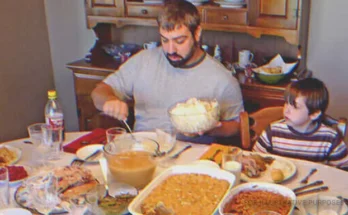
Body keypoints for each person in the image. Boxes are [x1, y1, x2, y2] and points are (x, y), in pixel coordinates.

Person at [91, 0, 244, 144]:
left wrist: (212, 128)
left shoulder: (222, 79)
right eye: (165, 40)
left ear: (197, 33)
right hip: (144, 150)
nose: (171, 50)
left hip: (192, 159)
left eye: (179, 41)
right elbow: (99, 91)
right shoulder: (143, 61)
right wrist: (109, 101)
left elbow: (237, 126)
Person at [253, 78, 348, 168]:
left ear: (314, 114)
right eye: (286, 103)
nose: (286, 110)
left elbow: (343, 170)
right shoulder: (273, 132)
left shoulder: (330, 138)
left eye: (295, 107)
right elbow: (256, 159)